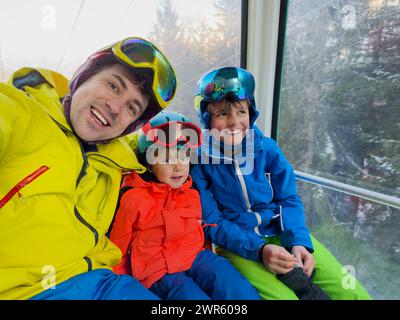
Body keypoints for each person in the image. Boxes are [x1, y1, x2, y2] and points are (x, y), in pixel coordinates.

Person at [0, 37, 177, 300]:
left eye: (131, 107)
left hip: (98, 281)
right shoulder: (22, 113)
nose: (116, 108)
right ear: (84, 76)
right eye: (114, 85)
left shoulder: (118, 158)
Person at [190, 66, 371, 300]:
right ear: (207, 118)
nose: (235, 122)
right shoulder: (200, 164)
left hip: (280, 230)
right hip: (238, 244)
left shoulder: (268, 150)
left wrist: (299, 242)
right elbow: (212, 221)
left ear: (251, 113)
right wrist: (259, 250)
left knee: (351, 292)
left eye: (242, 111)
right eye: (223, 114)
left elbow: (288, 198)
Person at [109, 111, 261, 300]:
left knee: (231, 283)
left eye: (183, 156)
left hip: (194, 255)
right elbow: (117, 248)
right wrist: (122, 285)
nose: (178, 166)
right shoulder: (134, 198)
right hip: (158, 269)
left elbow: (201, 227)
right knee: (189, 296)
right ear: (149, 164)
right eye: (167, 159)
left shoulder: (191, 191)